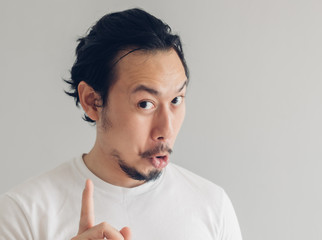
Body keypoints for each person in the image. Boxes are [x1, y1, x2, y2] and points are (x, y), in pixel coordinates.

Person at [0, 8, 242, 240]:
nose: (166, 130)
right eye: (145, 104)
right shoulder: (23, 214)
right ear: (92, 101)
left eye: (176, 100)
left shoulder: (212, 205)